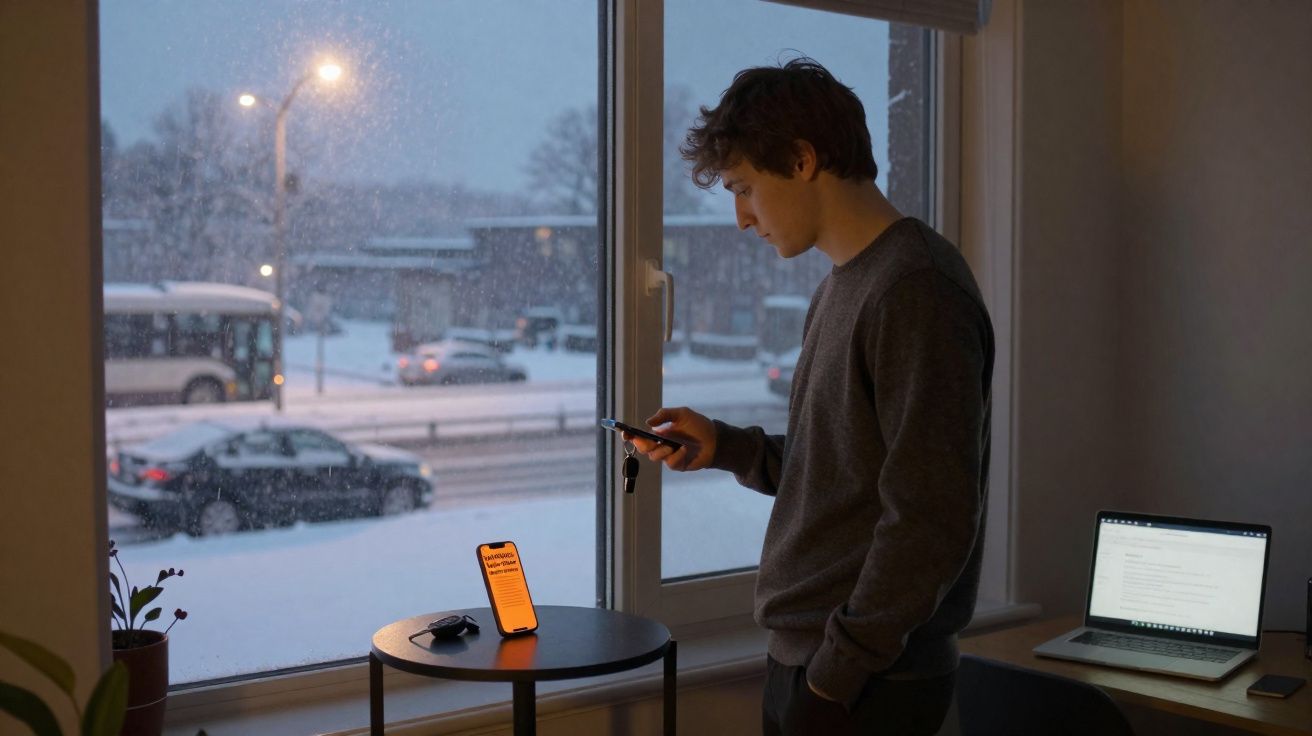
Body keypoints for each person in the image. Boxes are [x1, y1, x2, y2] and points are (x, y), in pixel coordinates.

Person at [624, 58, 994, 735]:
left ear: (800, 159)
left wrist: (834, 681)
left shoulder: (916, 291)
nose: (740, 218)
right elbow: (848, 469)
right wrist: (728, 447)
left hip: (867, 681)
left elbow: (930, 517)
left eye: (743, 188)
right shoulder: (843, 284)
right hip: (824, 664)